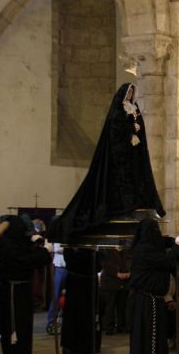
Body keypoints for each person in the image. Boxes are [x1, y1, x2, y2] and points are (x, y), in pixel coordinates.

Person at [48, 83, 165, 243]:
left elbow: (139, 127)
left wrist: (138, 129)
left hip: (133, 153)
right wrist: (129, 131)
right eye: (128, 91)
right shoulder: (118, 109)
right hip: (120, 153)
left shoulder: (134, 107)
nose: (130, 93)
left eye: (132, 91)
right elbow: (115, 129)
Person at [128, 219, 179, 354]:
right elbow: (166, 262)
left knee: (152, 335)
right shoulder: (144, 249)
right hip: (147, 300)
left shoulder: (148, 247)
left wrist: (172, 242)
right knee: (149, 336)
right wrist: (177, 247)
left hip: (151, 299)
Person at [0, 216, 52, 354]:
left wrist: (38, 247)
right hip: (14, 289)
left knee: (25, 325)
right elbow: (24, 261)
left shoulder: (16, 242)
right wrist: (43, 253)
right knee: (15, 325)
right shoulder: (7, 245)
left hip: (22, 289)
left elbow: (28, 252)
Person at [60, 247, 102, 354]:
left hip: (88, 284)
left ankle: (87, 345)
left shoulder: (92, 249)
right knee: (75, 315)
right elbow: (71, 264)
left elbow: (98, 266)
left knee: (87, 315)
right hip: (76, 285)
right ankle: (72, 346)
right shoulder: (71, 248)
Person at [100, 246, 132, 335]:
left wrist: (129, 273)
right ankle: (109, 327)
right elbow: (105, 264)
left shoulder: (128, 249)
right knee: (110, 306)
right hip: (110, 282)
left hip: (125, 282)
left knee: (122, 306)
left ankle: (122, 326)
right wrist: (116, 273)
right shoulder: (106, 248)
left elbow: (132, 262)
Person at [46, 242, 66, 334]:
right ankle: (51, 320)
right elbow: (57, 248)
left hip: (70, 266)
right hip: (60, 267)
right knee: (56, 294)